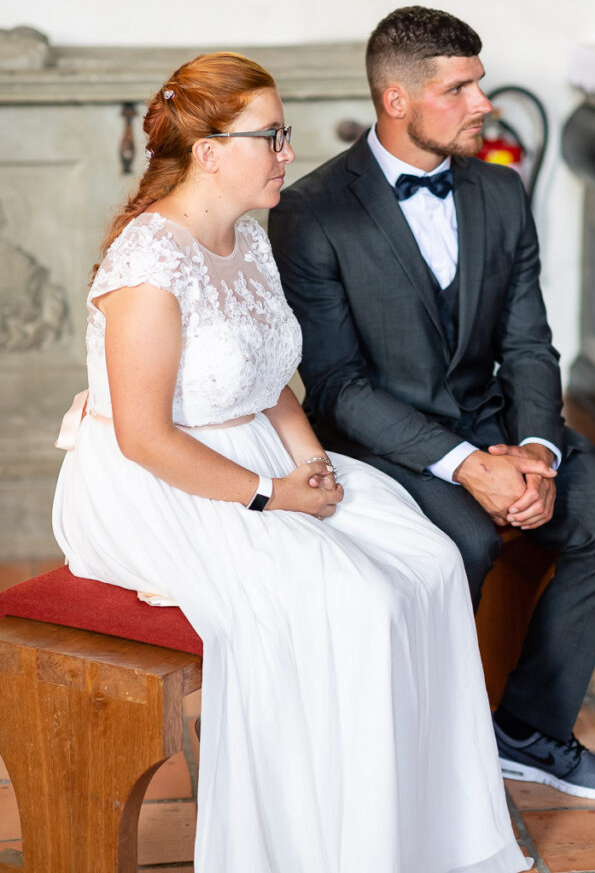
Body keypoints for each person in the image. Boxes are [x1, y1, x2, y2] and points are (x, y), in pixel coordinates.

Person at [52, 51, 533, 873]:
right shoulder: (148, 264)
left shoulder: (245, 237)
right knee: (355, 602)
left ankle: (426, 840)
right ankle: (334, 849)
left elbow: (271, 374)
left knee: (427, 560)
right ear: (208, 151)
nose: (287, 153)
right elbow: (143, 436)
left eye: (285, 134)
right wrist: (270, 497)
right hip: (157, 481)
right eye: (270, 137)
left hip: (261, 448)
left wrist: (313, 466)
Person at [269, 6, 595, 802]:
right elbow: (336, 384)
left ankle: (527, 732)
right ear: (397, 100)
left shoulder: (499, 191)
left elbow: (529, 345)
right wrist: (466, 465)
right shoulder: (313, 211)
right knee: (463, 544)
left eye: (479, 82)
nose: (485, 104)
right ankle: (422, 759)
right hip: (387, 442)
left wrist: (538, 452)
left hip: (500, 423)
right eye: (461, 88)